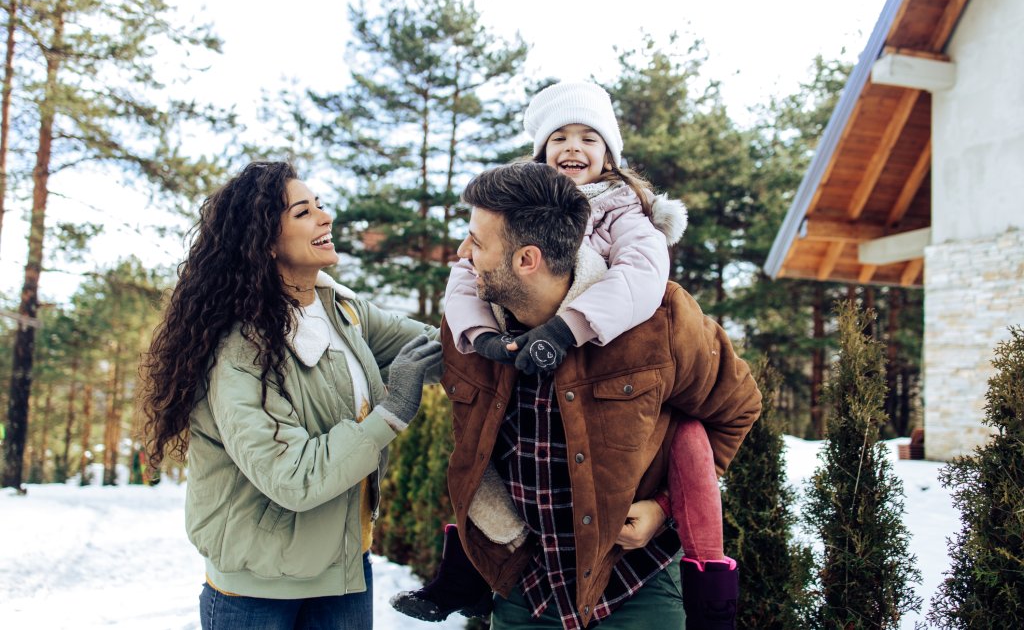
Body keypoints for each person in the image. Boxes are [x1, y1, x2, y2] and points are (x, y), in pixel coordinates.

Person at [392, 81, 742, 628]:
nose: (573, 148)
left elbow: (646, 278)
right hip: (525, 581)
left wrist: (666, 508)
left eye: (588, 137)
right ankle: (462, 572)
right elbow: (462, 286)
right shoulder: (490, 275)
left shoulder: (637, 245)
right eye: (558, 138)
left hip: (632, 578)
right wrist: (482, 337)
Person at [137, 161, 442, 630]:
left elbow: (435, 347)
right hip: (258, 592)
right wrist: (392, 410)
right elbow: (293, 477)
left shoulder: (340, 309)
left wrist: (521, 327)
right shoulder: (241, 346)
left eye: (320, 206)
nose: (326, 218)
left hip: (343, 571)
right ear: (265, 240)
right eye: (304, 212)